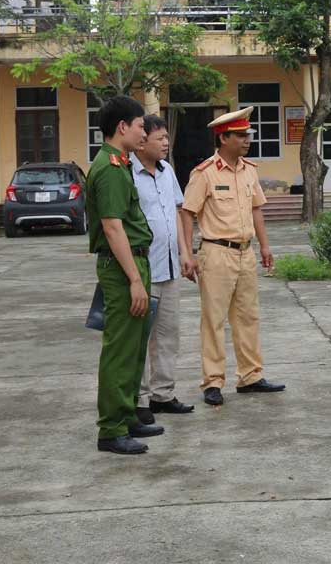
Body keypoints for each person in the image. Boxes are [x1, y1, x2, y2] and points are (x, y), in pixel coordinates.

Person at [181, 106, 285, 406]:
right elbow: (188, 213)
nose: (247, 140)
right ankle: (212, 382)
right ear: (223, 138)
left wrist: (264, 246)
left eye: (247, 135)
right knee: (213, 320)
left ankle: (250, 376)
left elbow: (256, 210)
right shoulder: (204, 173)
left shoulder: (250, 170)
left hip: (245, 252)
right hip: (215, 253)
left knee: (248, 317)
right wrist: (187, 253)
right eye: (240, 135)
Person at [86, 95, 163, 455]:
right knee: (119, 348)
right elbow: (114, 228)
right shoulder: (110, 168)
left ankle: (128, 414)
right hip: (123, 268)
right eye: (138, 127)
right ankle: (111, 428)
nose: (144, 133)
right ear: (122, 128)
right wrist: (134, 279)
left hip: (135, 263)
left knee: (134, 347)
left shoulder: (119, 162)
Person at [131, 114, 197, 426]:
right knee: (141, 338)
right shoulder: (127, 173)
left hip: (170, 266)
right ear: (142, 141)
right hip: (143, 268)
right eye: (161, 139)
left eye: (167, 139)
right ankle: (140, 399)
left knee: (169, 334)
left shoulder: (167, 170)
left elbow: (178, 211)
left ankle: (163, 394)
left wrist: (186, 252)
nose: (166, 144)